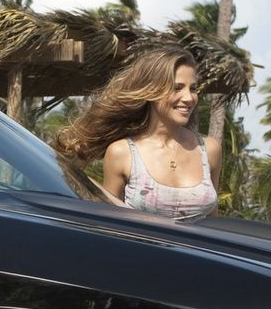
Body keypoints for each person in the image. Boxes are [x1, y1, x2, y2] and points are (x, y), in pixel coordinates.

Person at [53, 47, 217, 219]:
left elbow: (214, 223)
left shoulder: (209, 149)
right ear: (152, 90)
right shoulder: (122, 153)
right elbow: (111, 222)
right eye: (177, 88)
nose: (189, 98)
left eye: (193, 88)